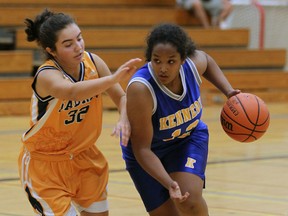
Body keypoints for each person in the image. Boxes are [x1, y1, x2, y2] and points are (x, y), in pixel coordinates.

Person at [18, 9, 141, 216]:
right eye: (68, 44)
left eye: (79, 38)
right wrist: (112, 79)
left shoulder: (93, 61)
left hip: (85, 156)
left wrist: (123, 118)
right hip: (45, 164)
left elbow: (122, 98)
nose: (78, 47)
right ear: (52, 50)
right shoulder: (47, 75)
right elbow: (71, 92)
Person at [121, 23, 240, 215]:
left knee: (189, 199)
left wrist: (228, 91)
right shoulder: (141, 89)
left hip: (187, 140)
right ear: (149, 58)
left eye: (171, 61)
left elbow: (207, 60)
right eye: (156, 60)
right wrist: (169, 183)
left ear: (183, 59)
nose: (163, 68)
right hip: (148, 152)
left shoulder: (193, 66)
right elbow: (142, 149)